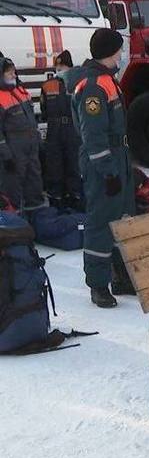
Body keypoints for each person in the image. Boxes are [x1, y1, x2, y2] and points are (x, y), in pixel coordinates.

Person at [72, 28, 134, 308]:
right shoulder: (95, 86)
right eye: (119, 50)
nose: (122, 54)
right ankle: (98, 284)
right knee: (100, 222)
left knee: (123, 218)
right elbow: (94, 135)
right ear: (110, 52)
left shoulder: (108, 80)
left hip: (118, 156)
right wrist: (108, 171)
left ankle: (120, 276)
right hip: (103, 161)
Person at [0, 57, 45, 216]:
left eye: (14, 71)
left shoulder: (21, 91)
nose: (13, 74)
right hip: (14, 148)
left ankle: (38, 219)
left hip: (30, 145)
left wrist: (38, 142)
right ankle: (15, 225)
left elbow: (32, 119)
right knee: (14, 186)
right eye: (8, 72)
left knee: (34, 181)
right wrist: (6, 155)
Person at [40, 50, 82, 210]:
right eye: (58, 66)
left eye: (62, 66)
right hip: (54, 130)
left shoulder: (78, 83)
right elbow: (44, 110)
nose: (59, 69)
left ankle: (75, 198)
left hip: (72, 128)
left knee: (73, 164)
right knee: (54, 165)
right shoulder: (47, 85)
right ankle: (56, 199)